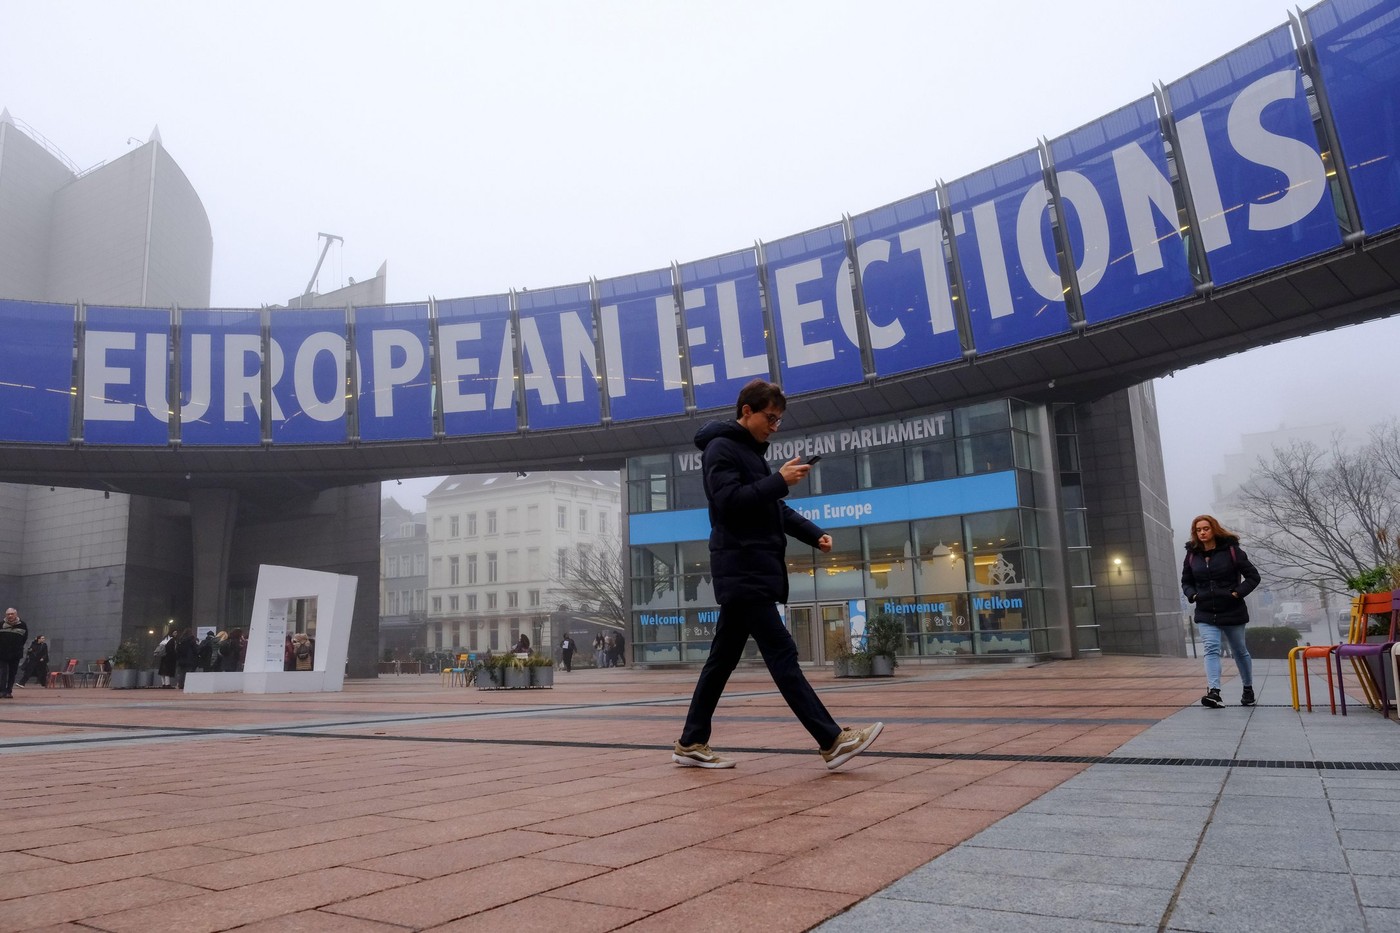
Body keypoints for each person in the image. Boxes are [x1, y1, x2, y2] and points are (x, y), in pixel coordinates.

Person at [674, 379, 883, 770]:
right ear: (747, 411)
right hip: (743, 568)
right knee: (782, 653)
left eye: (779, 420)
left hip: (749, 570)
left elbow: (772, 509)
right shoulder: (722, 449)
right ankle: (831, 739)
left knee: (721, 661)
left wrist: (813, 533)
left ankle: (691, 741)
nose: (775, 426)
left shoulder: (750, 453)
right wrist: (778, 481)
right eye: (770, 418)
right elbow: (728, 501)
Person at [1181, 514, 1261, 709]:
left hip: (1232, 610)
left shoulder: (1232, 551)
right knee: (1210, 649)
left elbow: (1253, 577)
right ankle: (1214, 692)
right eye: (1198, 530)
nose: (1202, 532)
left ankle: (1248, 689)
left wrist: (1237, 593)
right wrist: (1193, 595)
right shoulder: (1192, 555)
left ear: (1213, 529)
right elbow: (1186, 581)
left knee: (1239, 651)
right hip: (1206, 611)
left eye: (1205, 528)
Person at [0, 607, 29, 698]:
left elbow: (24, 639)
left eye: (12, 614)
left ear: (16, 614)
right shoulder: (1, 625)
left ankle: (9, 691)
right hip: (2, 653)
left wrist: (17, 647)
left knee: (12, 673)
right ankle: (2, 691)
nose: (10, 615)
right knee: (2, 673)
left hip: (15, 654)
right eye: (8, 614)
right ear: (6, 615)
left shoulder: (22, 625)